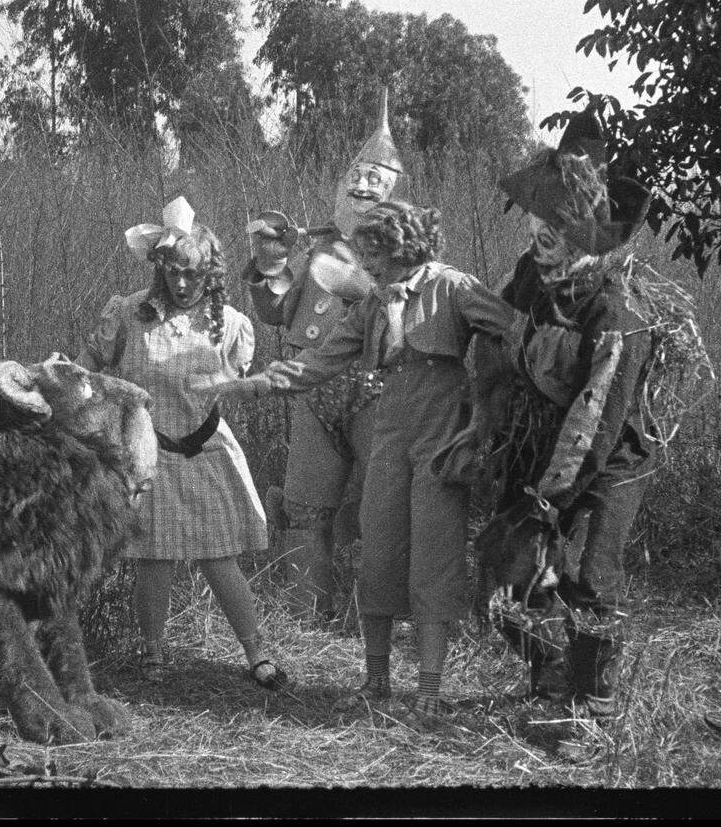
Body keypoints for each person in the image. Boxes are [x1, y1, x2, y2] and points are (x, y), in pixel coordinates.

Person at [200, 199, 524, 726]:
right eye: (363, 252)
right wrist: (243, 384)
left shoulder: (454, 287)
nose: (364, 263)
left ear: (401, 245)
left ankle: (430, 689)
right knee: (379, 547)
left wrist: (485, 410)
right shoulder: (374, 305)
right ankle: (376, 681)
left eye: (372, 252)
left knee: (434, 553)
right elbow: (315, 363)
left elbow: (512, 334)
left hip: (441, 437)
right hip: (391, 431)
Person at [472, 106, 656, 734]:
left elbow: (597, 418)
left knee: (587, 578)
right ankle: (551, 675)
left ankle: (590, 711)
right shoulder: (531, 276)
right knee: (505, 566)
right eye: (535, 215)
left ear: (584, 231)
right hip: (542, 445)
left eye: (553, 219)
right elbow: (498, 345)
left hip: (608, 461)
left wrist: (551, 503)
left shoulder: (616, 313)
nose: (537, 228)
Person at [79, 196, 287, 691]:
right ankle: (154, 655)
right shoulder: (129, 313)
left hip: (206, 449)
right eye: (174, 272)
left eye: (193, 274)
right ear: (161, 268)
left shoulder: (231, 324)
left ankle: (255, 652)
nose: (183, 283)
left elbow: (234, 382)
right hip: (148, 454)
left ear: (210, 272)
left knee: (220, 556)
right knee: (154, 557)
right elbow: (89, 369)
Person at [242, 89, 403, 625]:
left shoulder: (406, 254)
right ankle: (307, 611)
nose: (362, 188)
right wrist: (268, 265)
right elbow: (275, 310)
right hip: (309, 386)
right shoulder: (312, 248)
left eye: (375, 182)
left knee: (375, 506)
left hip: (374, 389)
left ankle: (371, 613)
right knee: (307, 502)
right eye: (355, 179)